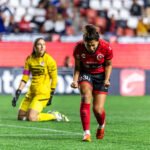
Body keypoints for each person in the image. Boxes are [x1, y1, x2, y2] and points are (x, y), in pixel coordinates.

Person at [71, 24, 113, 142]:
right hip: (86, 73)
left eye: (93, 45)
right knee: (86, 96)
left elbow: (108, 64)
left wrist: (106, 79)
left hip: (101, 76)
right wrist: (75, 80)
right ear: (84, 42)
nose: (91, 48)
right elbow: (78, 67)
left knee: (98, 109)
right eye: (88, 45)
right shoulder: (78, 47)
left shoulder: (106, 47)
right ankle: (86, 133)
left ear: (98, 41)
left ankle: (101, 125)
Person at [12, 37, 69, 122]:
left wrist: (51, 94)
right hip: (31, 92)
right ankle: (34, 114)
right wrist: (18, 91)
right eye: (39, 44)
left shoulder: (49, 60)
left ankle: (54, 115)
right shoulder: (29, 59)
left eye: (44, 44)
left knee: (31, 118)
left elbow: (54, 78)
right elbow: (25, 77)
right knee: (21, 116)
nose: (42, 46)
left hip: (43, 93)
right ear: (35, 47)